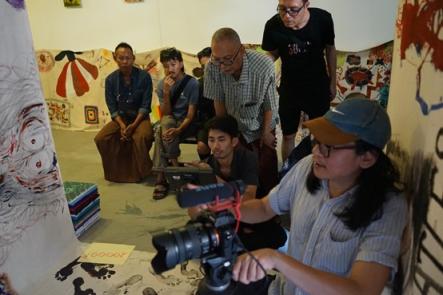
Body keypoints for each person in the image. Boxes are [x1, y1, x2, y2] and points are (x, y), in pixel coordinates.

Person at [231, 97, 408, 295]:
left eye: (328, 146)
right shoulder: (309, 167)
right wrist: (223, 207)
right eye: (316, 141)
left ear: (366, 158)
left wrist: (277, 259)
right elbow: (265, 208)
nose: (316, 151)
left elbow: (361, 290)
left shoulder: (387, 205)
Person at [188, 115, 286, 251]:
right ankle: (234, 243)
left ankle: (233, 244)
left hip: (248, 211)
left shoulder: (247, 158)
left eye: (221, 139)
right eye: (211, 140)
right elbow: (193, 213)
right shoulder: (207, 165)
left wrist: (213, 178)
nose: (216, 146)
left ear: (234, 141)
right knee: (193, 233)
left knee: (278, 236)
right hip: (223, 216)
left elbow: (248, 198)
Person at [204, 27, 279, 197]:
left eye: (228, 60)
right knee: (237, 167)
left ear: (242, 51)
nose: (222, 67)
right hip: (233, 123)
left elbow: (270, 104)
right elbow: (219, 107)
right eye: (218, 60)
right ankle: (239, 207)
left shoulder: (263, 65)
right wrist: (225, 136)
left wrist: (267, 132)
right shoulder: (212, 67)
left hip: (261, 121)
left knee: (266, 166)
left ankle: (270, 206)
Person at [262, 0, 337, 161]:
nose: (287, 15)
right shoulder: (272, 25)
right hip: (290, 87)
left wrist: (332, 82)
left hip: (317, 86)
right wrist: (264, 64)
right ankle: (288, 173)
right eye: (282, 9)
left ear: (306, 4)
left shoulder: (323, 20)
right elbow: (272, 54)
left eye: (293, 10)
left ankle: (316, 174)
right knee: (288, 135)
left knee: (320, 135)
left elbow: (330, 49)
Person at [94, 42, 154, 183]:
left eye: (128, 58)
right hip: (121, 119)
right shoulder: (110, 80)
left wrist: (133, 126)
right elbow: (112, 108)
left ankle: (143, 171)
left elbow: (145, 106)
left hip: (140, 118)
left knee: (142, 137)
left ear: (133, 58)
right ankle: (116, 173)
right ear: (115, 58)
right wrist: (122, 125)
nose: (125, 62)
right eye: (121, 58)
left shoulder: (144, 77)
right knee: (101, 139)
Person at [152, 48, 199, 200]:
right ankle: (175, 167)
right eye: (166, 66)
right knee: (164, 126)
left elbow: (191, 115)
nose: (169, 69)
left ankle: (162, 178)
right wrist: (166, 92)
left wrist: (178, 130)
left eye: (173, 64)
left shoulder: (192, 84)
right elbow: (166, 113)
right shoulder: (161, 85)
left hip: (187, 122)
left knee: (160, 132)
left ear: (180, 63)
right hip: (170, 119)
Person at [195, 47, 215, 161]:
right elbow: (199, 112)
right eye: (204, 67)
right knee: (202, 147)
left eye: (210, 66)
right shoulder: (199, 85)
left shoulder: (228, 80)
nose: (208, 70)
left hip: (227, 122)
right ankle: (207, 167)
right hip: (207, 123)